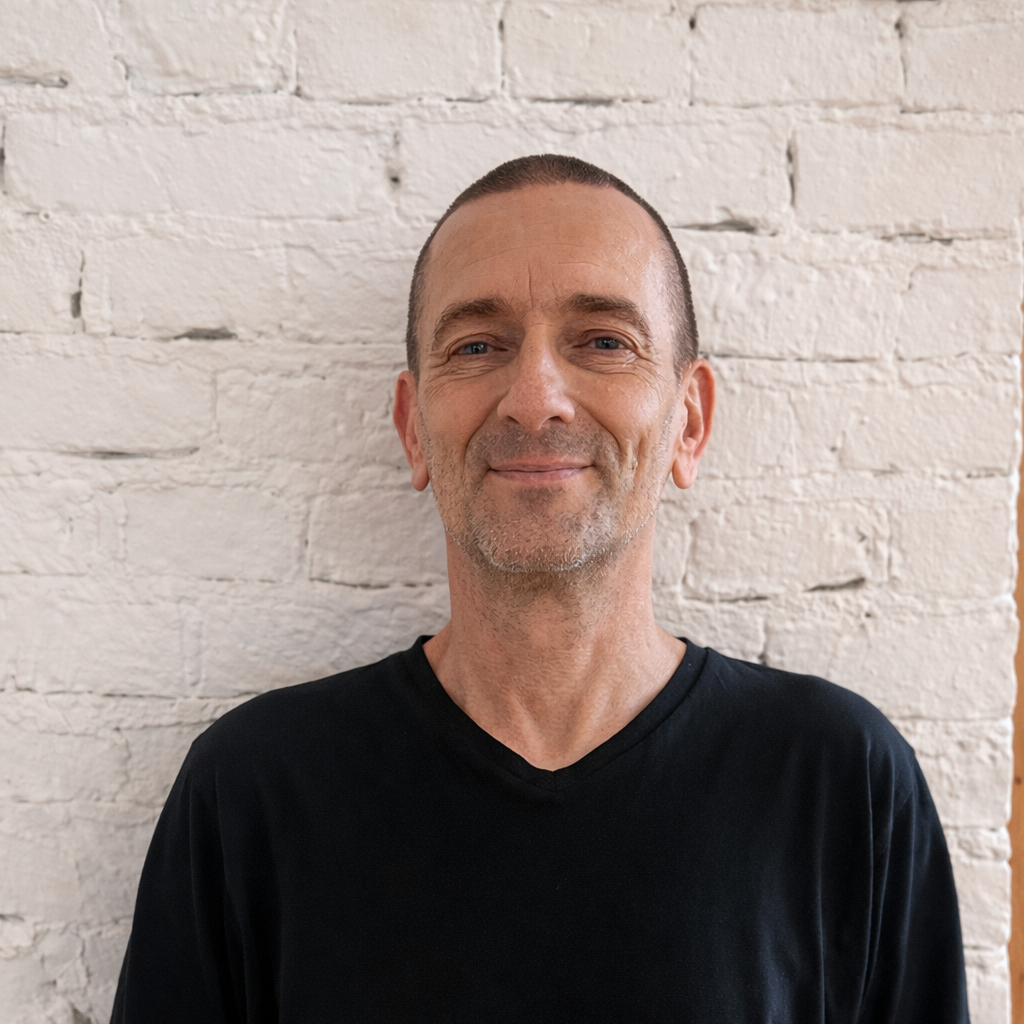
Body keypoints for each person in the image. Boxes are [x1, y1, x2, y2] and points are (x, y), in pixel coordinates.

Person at [111, 155, 969, 1023]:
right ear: (413, 428)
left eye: (603, 341)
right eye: (477, 346)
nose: (535, 400)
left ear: (690, 421)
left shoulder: (836, 781)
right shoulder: (256, 790)